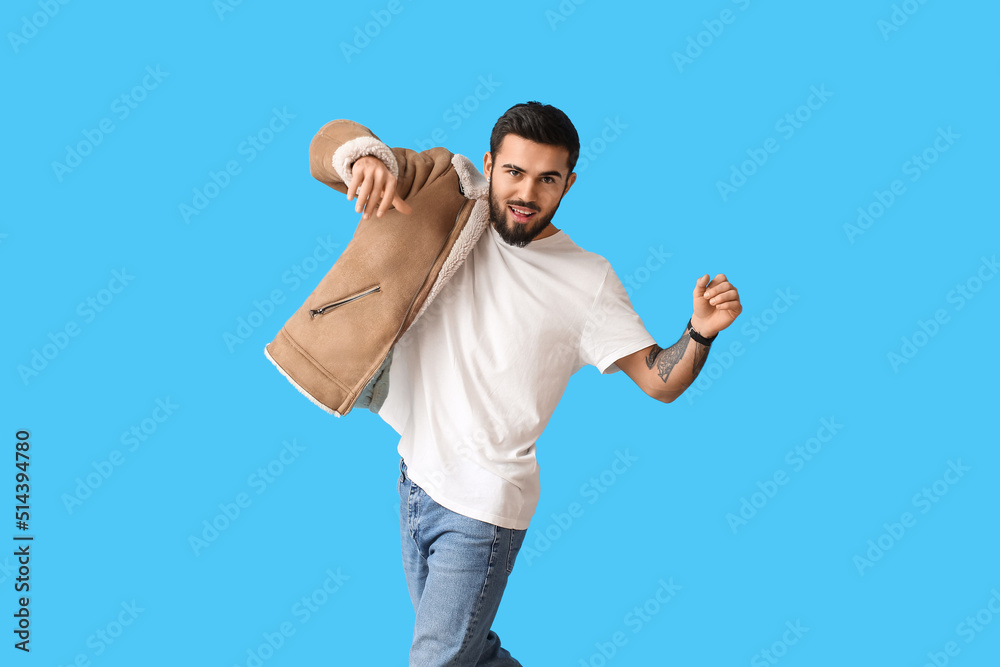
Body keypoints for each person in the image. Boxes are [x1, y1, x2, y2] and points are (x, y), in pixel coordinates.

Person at [287, 101, 743, 665]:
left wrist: (699, 333)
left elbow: (657, 379)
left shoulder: (587, 279)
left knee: (436, 660)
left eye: (547, 179)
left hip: (483, 506)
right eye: (514, 173)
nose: (527, 192)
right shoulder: (445, 194)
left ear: (568, 184)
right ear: (488, 164)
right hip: (415, 479)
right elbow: (327, 142)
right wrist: (362, 159)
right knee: (471, 654)